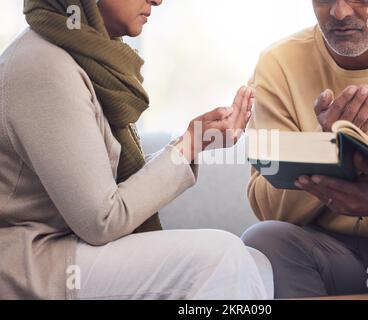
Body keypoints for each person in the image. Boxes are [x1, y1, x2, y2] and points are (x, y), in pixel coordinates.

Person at [0, 0, 273, 299]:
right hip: (35, 264)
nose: (157, 0)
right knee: (223, 257)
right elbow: (101, 219)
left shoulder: (82, 56)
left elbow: (104, 193)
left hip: (68, 249)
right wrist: (188, 145)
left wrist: (195, 142)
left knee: (256, 264)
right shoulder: (43, 66)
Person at [242, 0, 368, 298]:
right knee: (263, 241)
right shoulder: (279, 63)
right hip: (323, 250)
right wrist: (323, 146)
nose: (339, 12)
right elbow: (267, 206)